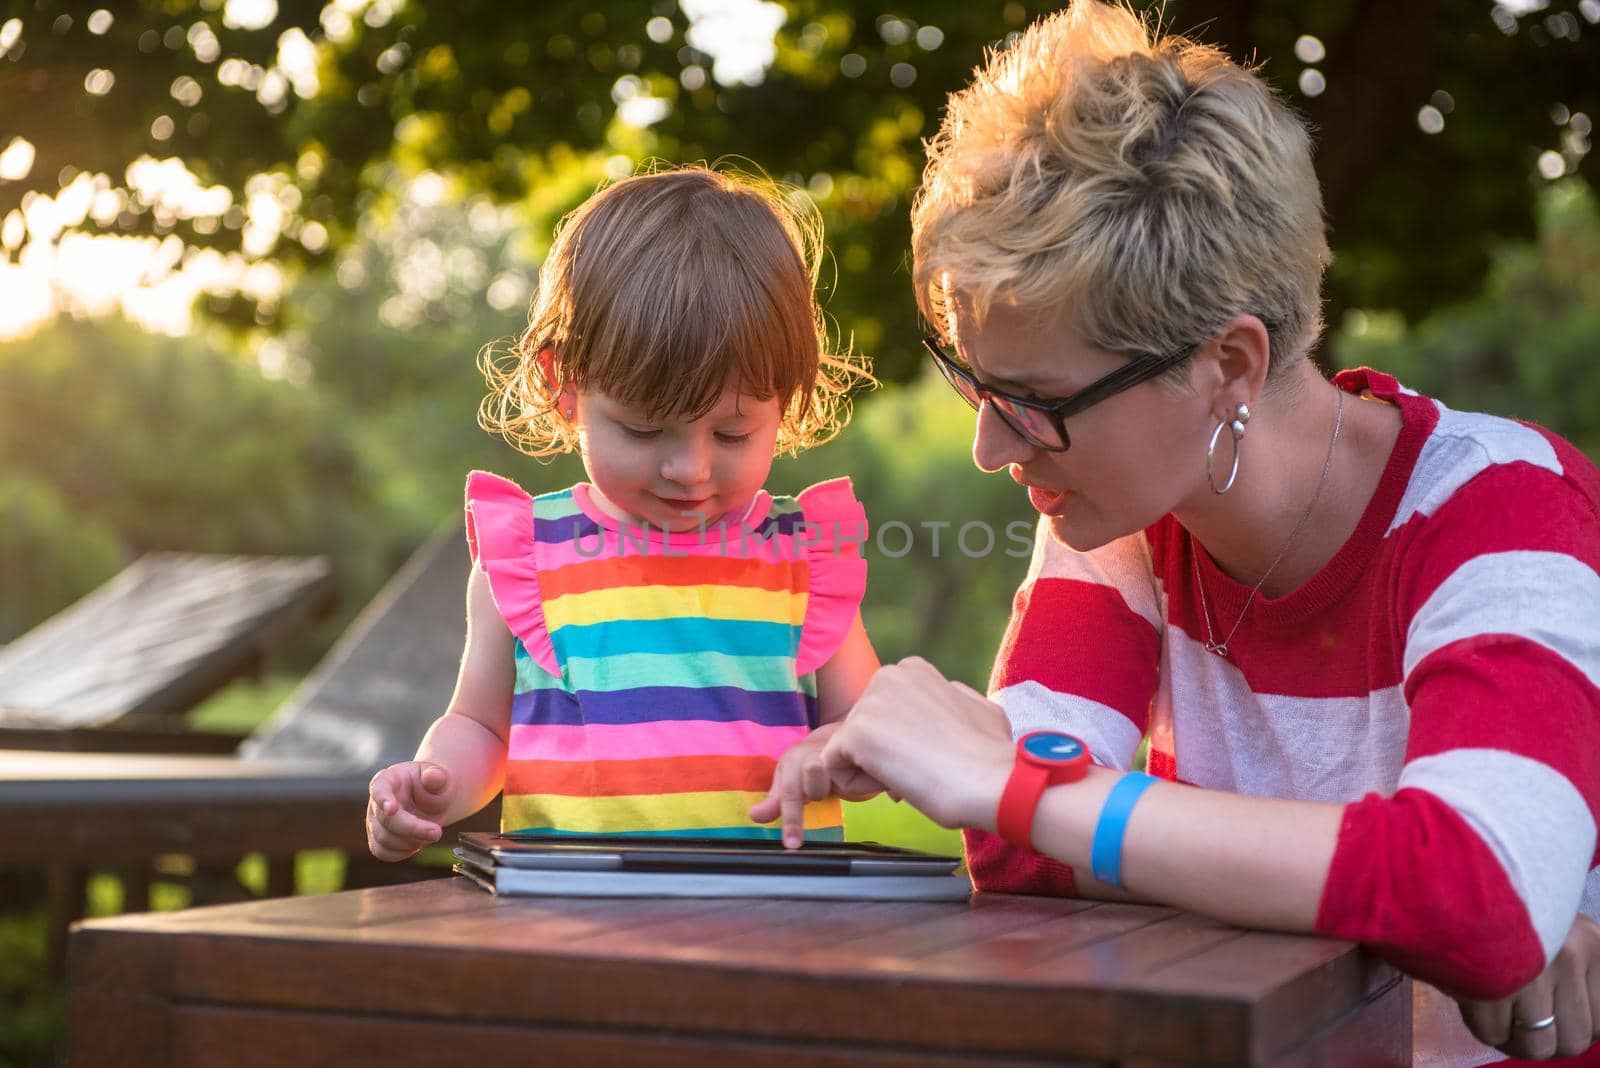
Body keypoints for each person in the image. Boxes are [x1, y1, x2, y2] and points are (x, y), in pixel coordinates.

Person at [776, 3, 1598, 1063]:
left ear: (1229, 366)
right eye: (975, 385)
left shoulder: (1505, 508)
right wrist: (1397, 895)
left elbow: (1474, 895)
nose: (991, 446)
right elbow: (1023, 862)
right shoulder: (1116, 517)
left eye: (1034, 399)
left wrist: (1029, 786)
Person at [365, 165, 879, 860]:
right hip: (573, 912)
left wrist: (831, 752)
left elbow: (869, 726)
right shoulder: (528, 558)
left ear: (786, 398)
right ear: (564, 384)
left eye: (732, 434)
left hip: (773, 916)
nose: (688, 468)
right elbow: (482, 728)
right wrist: (435, 781)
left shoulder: (804, 556)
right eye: (643, 430)